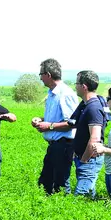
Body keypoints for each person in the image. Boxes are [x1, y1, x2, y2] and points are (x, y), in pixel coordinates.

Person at [32, 58, 79, 194]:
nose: (40, 78)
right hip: (54, 145)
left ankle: (65, 210)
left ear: (48, 75)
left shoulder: (65, 94)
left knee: (60, 184)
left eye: (41, 74)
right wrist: (40, 120)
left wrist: (49, 126)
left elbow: (72, 123)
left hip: (64, 145)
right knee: (45, 183)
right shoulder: (52, 93)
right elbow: (56, 118)